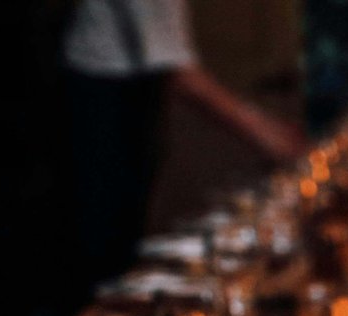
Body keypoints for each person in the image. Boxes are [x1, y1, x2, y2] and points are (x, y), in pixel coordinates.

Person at [60, 0, 300, 296]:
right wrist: (268, 135)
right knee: (101, 258)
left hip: (127, 93)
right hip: (98, 100)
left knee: (121, 245)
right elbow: (174, 67)